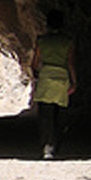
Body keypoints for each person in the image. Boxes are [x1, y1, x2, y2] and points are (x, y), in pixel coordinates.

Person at [31, 9, 77, 158]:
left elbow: (35, 62)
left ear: (48, 24)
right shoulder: (68, 41)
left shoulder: (42, 41)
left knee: (45, 113)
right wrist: (74, 82)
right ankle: (56, 143)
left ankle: (47, 146)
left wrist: (36, 74)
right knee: (58, 112)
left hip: (46, 77)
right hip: (62, 77)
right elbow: (70, 63)